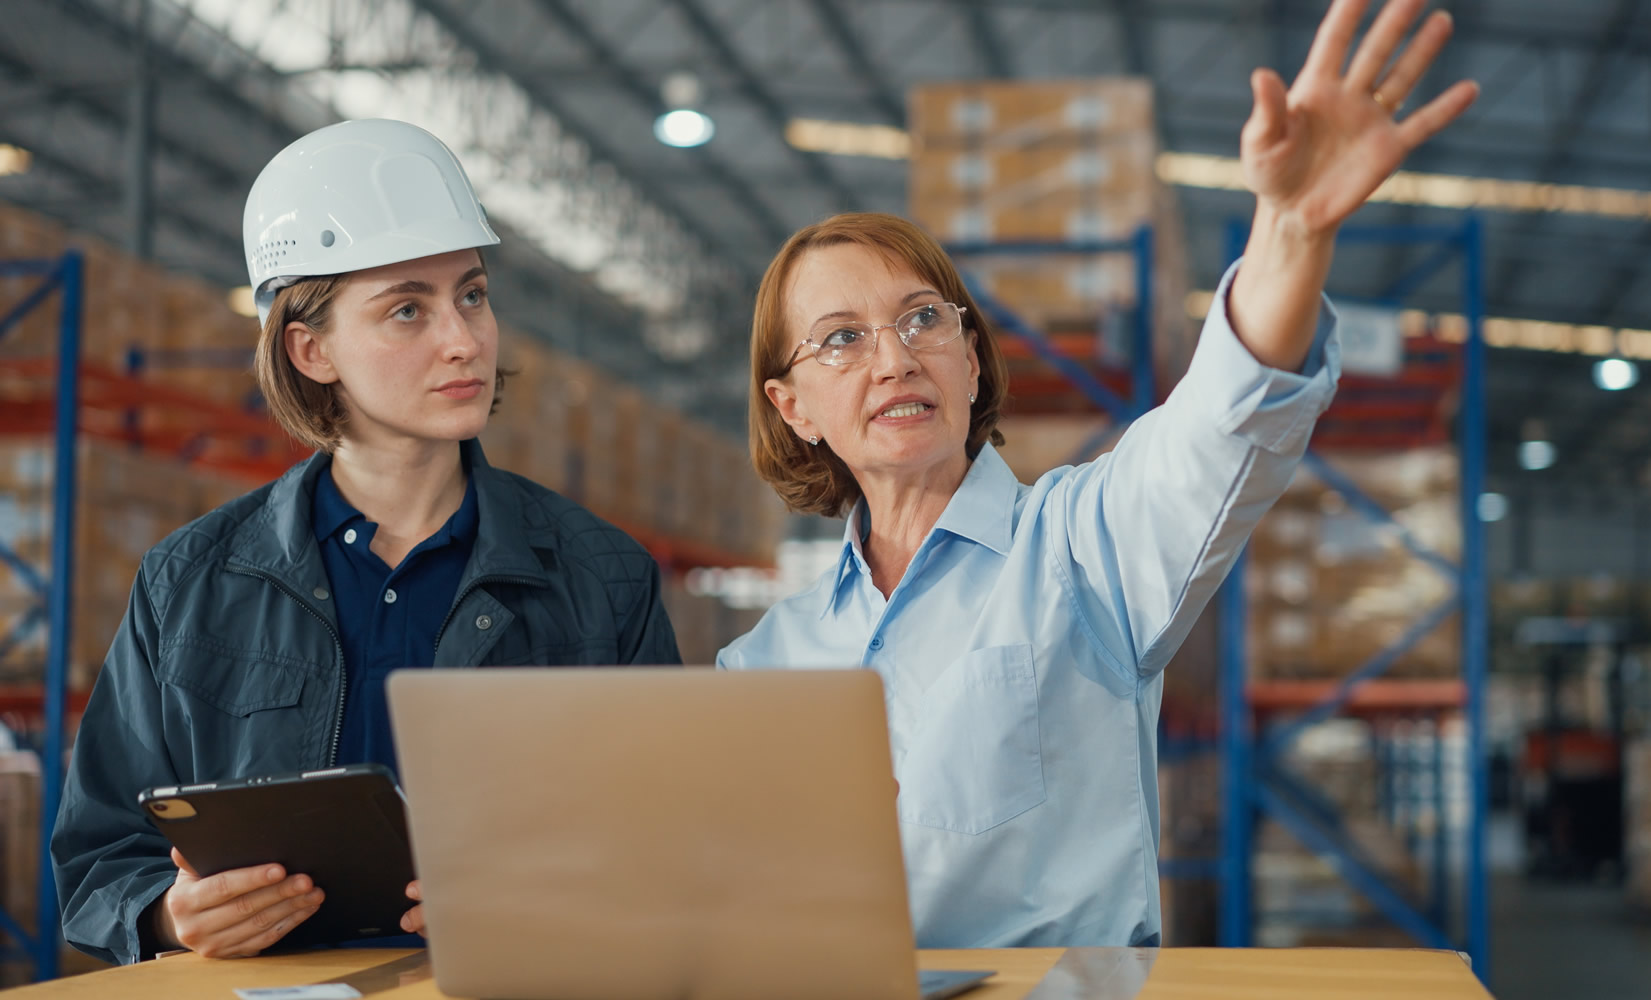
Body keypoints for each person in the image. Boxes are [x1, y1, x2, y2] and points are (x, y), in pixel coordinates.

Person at [718, 0, 1475, 948]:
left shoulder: (1081, 548)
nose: (894, 359)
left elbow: (1220, 429)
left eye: (923, 320)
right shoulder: (761, 666)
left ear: (971, 359)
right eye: (841, 340)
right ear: (792, 407)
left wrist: (1288, 229)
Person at [52, 118, 680, 964]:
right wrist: (170, 915)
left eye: (473, 294)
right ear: (312, 350)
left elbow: (674, 847)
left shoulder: (601, 577)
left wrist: (550, 897)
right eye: (407, 310)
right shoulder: (189, 581)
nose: (464, 339)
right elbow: (99, 854)